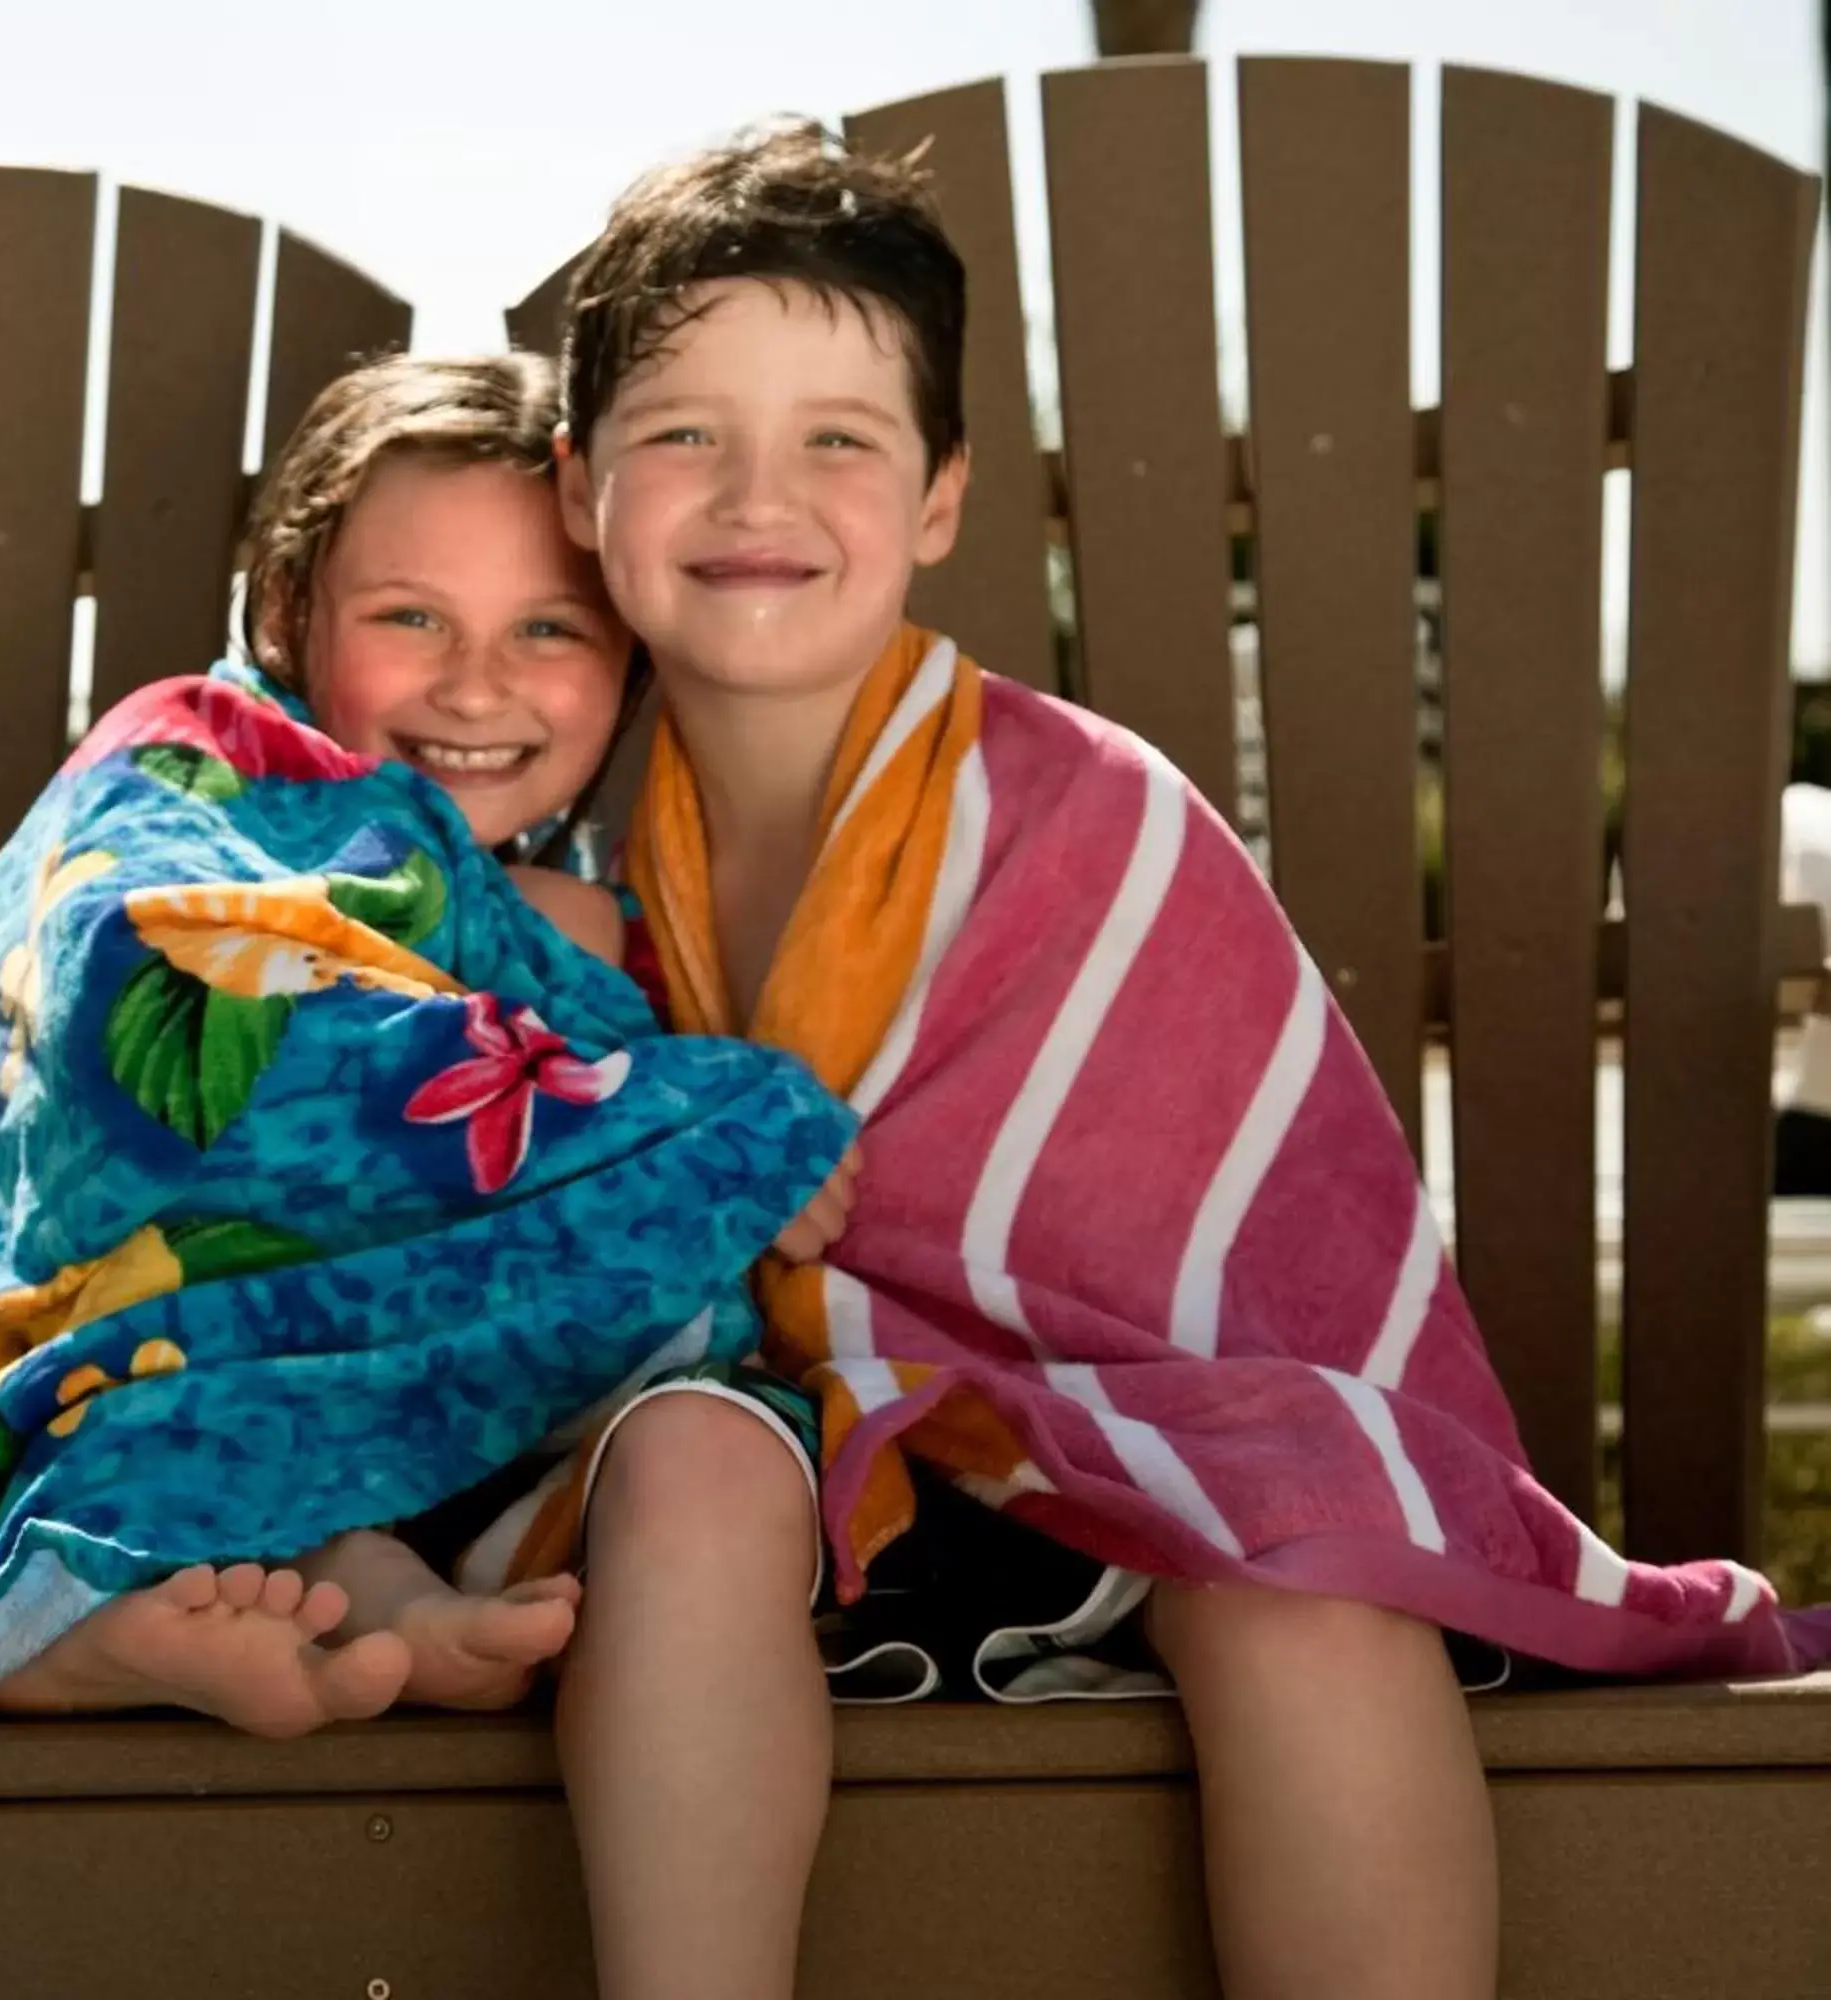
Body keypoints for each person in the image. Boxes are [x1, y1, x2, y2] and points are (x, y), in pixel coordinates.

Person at [542, 118, 1502, 2000]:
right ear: (579, 484)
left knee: (1304, 1558)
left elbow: (1249, 1278)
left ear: (943, 494)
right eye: (681, 433)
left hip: (1112, 1471)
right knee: (686, 1472)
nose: (760, 494)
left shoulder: (1095, 825)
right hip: (713, 1493)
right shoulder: (544, 854)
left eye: (840, 436)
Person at [0, 351, 857, 1736]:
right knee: (177, 1410)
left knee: (615, 1443)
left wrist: (694, 1164)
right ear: (287, 609)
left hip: (493, 1461)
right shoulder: (203, 789)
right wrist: (702, 1131)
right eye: (412, 617)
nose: (477, 687)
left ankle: (375, 1615)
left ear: (630, 649)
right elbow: (149, 1009)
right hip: (176, 1384)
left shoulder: (601, 928)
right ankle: (77, 1625)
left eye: (550, 631)